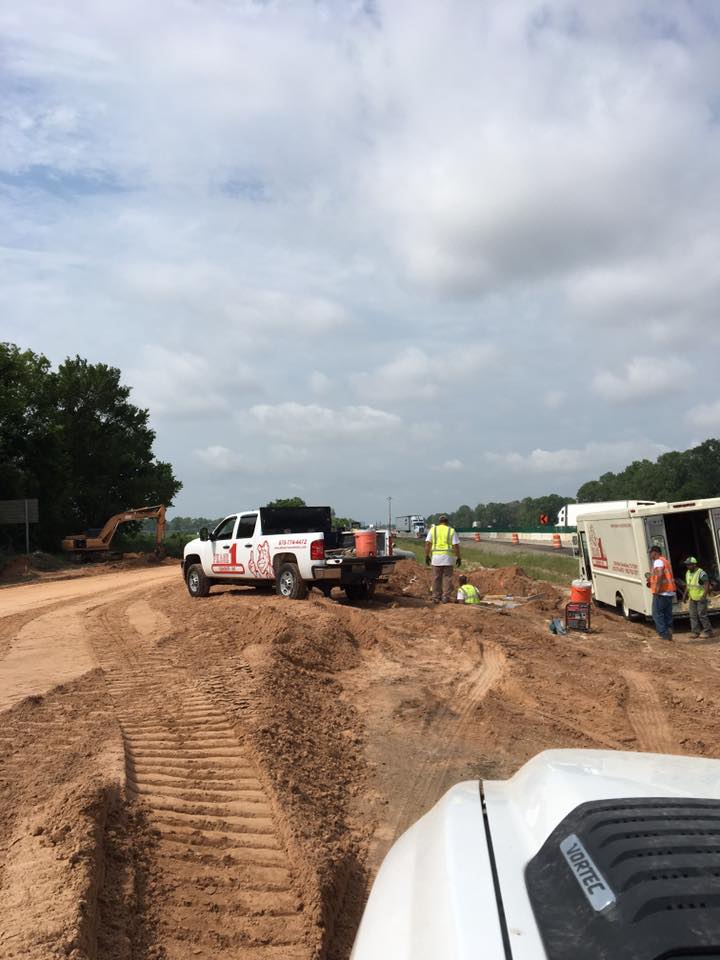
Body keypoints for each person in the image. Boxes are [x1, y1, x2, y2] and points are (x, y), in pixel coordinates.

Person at [425, 514, 461, 603]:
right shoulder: (451, 530)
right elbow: (456, 546)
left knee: (436, 578)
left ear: (439, 522)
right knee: (447, 578)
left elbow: (428, 544)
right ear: (447, 522)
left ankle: (436, 597)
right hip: (447, 558)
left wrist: (427, 555)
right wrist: (458, 557)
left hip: (436, 558)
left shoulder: (433, 530)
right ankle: (445, 597)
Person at [645, 545, 676, 641]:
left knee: (657, 614)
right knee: (667, 613)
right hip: (669, 592)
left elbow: (660, 574)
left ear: (655, 552)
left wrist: (657, 589)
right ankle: (669, 631)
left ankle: (664, 635)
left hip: (661, 593)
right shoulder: (665, 561)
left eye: (650, 553)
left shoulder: (658, 561)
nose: (650, 555)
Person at [682, 556, 714, 639]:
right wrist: (685, 595)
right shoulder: (688, 573)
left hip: (700, 598)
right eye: (687, 565)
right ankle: (695, 632)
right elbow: (688, 585)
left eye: (689, 565)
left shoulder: (701, 573)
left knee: (702, 615)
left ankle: (708, 632)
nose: (687, 566)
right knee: (693, 615)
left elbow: (707, 584)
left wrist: (704, 595)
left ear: (694, 565)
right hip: (692, 598)